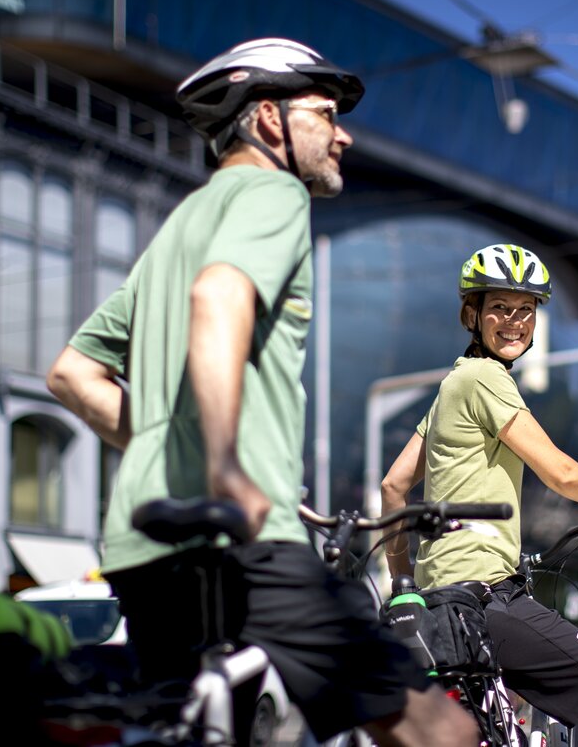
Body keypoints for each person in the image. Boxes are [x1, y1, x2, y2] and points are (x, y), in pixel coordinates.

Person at [46, 38, 478, 747]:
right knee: (442, 732)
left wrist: (173, 442)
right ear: (269, 120)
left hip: (141, 543)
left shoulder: (180, 226)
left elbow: (72, 373)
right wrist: (226, 470)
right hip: (244, 540)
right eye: (326, 114)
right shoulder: (272, 193)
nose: (343, 134)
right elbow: (220, 299)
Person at [381, 243, 578, 747]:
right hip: (487, 600)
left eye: (526, 310)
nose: (515, 322)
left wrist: (403, 582)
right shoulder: (486, 377)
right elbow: (559, 472)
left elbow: (394, 485)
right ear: (472, 314)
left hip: (439, 606)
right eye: (500, 309)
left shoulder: (451, 386)